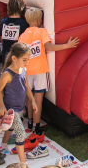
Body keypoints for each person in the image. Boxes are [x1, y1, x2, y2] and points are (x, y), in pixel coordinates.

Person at [19, 7, 79, 140]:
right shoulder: (41, 32)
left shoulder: (22, 35)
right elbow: (49, 47)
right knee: (38, 99)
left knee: (29, 97)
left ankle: (29, 121)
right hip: (40, 70)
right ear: (40, 20)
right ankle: (36, 126)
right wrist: (66, 46)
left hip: (27, 70)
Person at [0, 42, 38, 162]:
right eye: (24, 59)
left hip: (20, 107)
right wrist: (1, 106)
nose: (27, 62)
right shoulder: (7, 74)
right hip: (10, 109)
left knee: (10, 127)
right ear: (14, 58)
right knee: (20, 132)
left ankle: (4, 143)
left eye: (28, 59)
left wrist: (33, 100)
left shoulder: (23, 69)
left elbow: (26, 85)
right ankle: (23, 162)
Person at [0, 0, 29, 67]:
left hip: (6, 55)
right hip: (18, 56)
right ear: (22, 7)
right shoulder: (24, 23)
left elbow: (0, 36)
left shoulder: (3, 22)